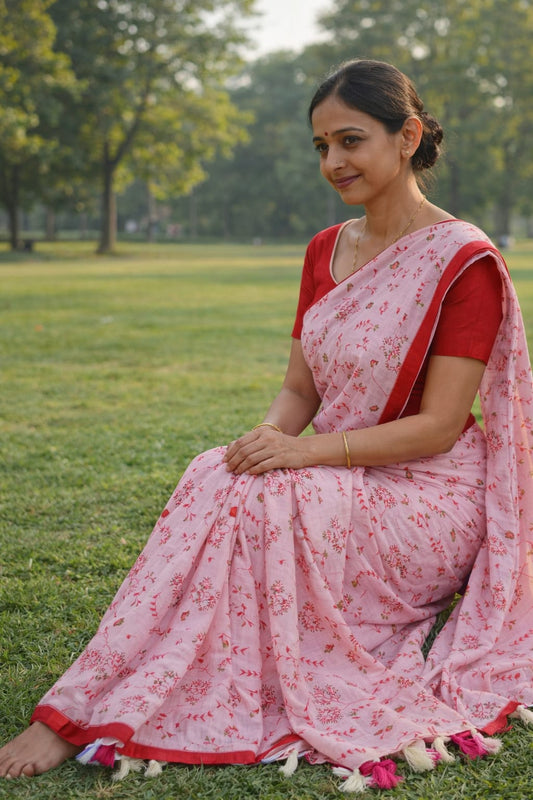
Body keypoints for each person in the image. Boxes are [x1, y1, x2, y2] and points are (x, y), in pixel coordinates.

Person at [1, 59, 533, 793]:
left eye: (350, 140)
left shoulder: (460, 260)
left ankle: (111, 697)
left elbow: (439, 427)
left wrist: (298, 454)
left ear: (407, 135)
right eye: (320, 147)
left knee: (277, 490)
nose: (333, 162)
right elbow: (296, 388)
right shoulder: (324, 249)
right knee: (212, 471)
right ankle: (84, 698)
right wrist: (260, 446)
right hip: (335, 467)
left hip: (427, 493)